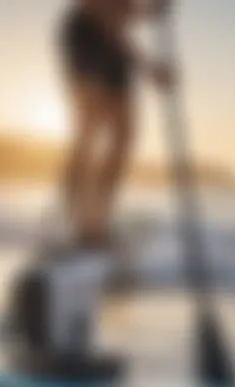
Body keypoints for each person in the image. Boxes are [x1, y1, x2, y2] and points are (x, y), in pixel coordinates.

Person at [59, 0, 174, 249]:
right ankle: (81, 223)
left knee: (124, 134)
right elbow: (105, 16)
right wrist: (150, 69)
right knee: (89, 129)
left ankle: (99, 222)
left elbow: (123, 12)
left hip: (112, 45)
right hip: (86, 37)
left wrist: (151, 10)